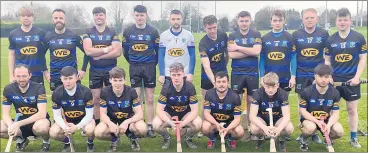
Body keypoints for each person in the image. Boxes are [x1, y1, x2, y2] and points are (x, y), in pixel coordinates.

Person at [324, 8, 367, 148]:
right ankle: (330, 136)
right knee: (330, 110)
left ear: (350, 21)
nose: (342, 22)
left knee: (351, 110)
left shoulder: (359, 38)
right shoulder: (330, 40)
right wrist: (329, 76)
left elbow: (362, 60)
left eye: (345, 20)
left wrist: (357, 77)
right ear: (336, 21)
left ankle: (353, 138)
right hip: (334, 81)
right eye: (339, 20)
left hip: (352, 81)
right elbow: (327, 61)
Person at [122, 5, 160, 137]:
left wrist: (151, 63)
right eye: (137, 15)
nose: (139, 18)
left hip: (149, 67)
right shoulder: (127, 31)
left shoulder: (153, 31)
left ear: (146, 15)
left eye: (142, 15)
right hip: (134, 67)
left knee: (149, 98)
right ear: (134, 15)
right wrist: (134, 61)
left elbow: (158, 51)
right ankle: (139, 124)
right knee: (136, 98)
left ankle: (150, 125)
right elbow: (125, 51)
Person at [293, 8, 329, 143]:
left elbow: (327, 55)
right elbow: (294, 56)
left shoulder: (324, 33)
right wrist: (294, 75)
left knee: (317, 104)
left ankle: (315, 132)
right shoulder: (296, 34)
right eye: (306, 18)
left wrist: (327, 73)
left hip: (318, 75)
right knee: (301, 103)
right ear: (302, 19)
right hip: (301, 73)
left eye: (312, 17)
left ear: (317, 19)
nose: (309, 20)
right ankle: (304, 132)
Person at [82, 7, 122, 125]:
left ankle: (112, 121)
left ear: (105, 16)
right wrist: (107, 49)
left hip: (111, 70)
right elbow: (88, 51)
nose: (98, 17)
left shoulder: (112, 32)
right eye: (96, 15)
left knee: (112, 97)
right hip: (95, 70)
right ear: (93, 17)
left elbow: (118, 52)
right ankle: (99, 122)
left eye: (101, 15)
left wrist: (99, 56)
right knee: (96, 99)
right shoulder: (88, 32)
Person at [227, 11, 262, 140]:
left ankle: (252, 129)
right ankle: (239, 128)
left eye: (246, 21)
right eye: (242, 21)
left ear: (250, 21)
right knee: (237, 101)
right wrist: (249, 51)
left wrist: (238, 47)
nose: (244, 23)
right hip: (237, 72)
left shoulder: (256, 34)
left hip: (252, 72)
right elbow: (231, 55)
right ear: (238, 21)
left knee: (251, 101)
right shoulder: (232, 35)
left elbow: (257, 51)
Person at [94, 67, 147, 152]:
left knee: (142, 129)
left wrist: (127, 122)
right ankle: (114, 139)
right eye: (115, 80)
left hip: (128, 118)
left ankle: (132, 137)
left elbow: (140, 114)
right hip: (112, 119)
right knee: (98, 132)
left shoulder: (131, 91)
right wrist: (110, 124)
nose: (118, 83)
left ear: (124, 80)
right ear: (110, 80)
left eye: (120, 80)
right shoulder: (105, 92)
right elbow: (103, 114)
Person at [1, 64, 50, 152]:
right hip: (20, 122)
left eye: (24, 76)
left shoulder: (39, 88)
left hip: (38, 121)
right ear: (14, 76)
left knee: (42, 127)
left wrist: (18, 124)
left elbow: (42, 114)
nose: (21, 79)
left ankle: (46, 141)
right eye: (18, 76)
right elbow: (5, 114)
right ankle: (21, 139)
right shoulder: (8, 89)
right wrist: (10, 125)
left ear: (30, 75)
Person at [153, 62, 202, 150]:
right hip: (170, 114)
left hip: (185, 114)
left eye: (178, 75)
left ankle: (188, 137)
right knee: (156, 124)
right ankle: (167, 137)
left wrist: (184, 123)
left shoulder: (190, 87)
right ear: (170, 75)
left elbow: (194, 110)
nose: (176, 78)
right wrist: (170, 122)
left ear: (183, 74)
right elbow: (159, 110)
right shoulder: (166, 88)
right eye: (174, 75)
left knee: (198, 123)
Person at [49, 66, 95, 152]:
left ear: (77, 77)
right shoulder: (56, 93)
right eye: (65, 79)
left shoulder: (86, 92)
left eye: (70, 78)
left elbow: (89, 115)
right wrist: (65, 127)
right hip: (66, 120)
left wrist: (77, 127)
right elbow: (57, 116)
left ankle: (90, 142)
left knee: (90, 129)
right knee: (53, 132)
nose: (68, 82)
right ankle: (67, 142)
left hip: (84, 118)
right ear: (61, 78)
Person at [299, 64, 343, 151]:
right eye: (320, 76)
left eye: (326, 77)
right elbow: (303, 111)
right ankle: (303, 140)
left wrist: (329, 125)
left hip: (326, 120)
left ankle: (328, 141)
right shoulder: (306, 92)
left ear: (330, 77)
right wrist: (317, 122)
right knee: (311, 128)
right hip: (310, 119)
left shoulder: (335, 93)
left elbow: (335, 114)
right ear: (315, 76)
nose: (323, 80)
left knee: (339, 131)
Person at [198, 15, 229, 136]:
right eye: (209, 28)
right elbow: (206, 66)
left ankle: (225, 124)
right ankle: (203, 127)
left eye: (214, 27)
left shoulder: (223, 35)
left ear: (217, 25)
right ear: (204, 27)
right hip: (207, 75)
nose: (212, 30)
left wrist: (223, 69)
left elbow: (227, 54)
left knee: (225, 99)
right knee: (206, 101)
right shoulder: (203, 43)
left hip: (222, 72)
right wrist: (214, 82)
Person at [44, 9, 87, 91]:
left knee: (75, 101)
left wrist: (83, 70)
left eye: (61, 18)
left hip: (72, 76)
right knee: (56, 102)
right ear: (52, 20)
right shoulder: (47, 37)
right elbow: (40, 54)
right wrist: (45, 72)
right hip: (55, 75)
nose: (58, 20)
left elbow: (87, 52)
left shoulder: (73, 35)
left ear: (65, 20)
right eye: (56, 18)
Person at [249, 72, 294, 152]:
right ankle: (261, 138)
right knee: (254, 128)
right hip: (262, 119)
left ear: (278, 85)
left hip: (278, 119)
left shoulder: (283, 94)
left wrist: (279, 129)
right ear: (263, 85)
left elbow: (287, 116)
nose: (270, 90)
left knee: (289, 128)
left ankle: (281, 139)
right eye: (267, 87)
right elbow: (252, 116)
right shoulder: (257, 93)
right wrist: (265, 128)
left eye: (273, 87)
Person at [201, 72, 244, 150]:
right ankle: (212, 138)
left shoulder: (235, 96)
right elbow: (206, 113)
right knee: (204, 127)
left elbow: (237, 119)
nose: (221, 84)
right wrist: (217, 124)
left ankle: (229, 138)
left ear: (228, 82)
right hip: (214, 123)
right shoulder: (209, 93)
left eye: (224, 82)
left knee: (240, 132)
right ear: (215, 83)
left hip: (229, 123)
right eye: (219, 82)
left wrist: (227, 129)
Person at [8, 6, 47, 84]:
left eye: (28, 16)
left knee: (38, 96)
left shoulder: (41, 33)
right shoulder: (13, 34)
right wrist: (11, 75)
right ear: (20, 17)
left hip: (37, 73)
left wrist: (45, 70)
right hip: (20, 74)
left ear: (33, 17)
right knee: (21, 96)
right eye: (23, 16)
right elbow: (11, 55)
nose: (26, 18)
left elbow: (47, 51)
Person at [260, 10, 296, 92]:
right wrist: (262, 77)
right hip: (268, 79)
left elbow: (293, 58)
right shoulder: (264, 38)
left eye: (280, 20)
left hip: (285, 78)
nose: (277, 23)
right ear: (271, 22)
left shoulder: (290, 37)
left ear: (284, 21)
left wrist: (293, 76)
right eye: (275, 20)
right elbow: (262, 59)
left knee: (284, 104)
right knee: (268, 104)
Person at [158, 10, 195, 85]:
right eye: (173, 19)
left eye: (178, 19)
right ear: (170, 21)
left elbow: (192, 55)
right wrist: (162, 74)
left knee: (185, 96)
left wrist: (191, 73)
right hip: (168, 74)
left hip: (184, 73)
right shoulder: (164, 35)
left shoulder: (188, 35)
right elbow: (161, 55)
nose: (176, 21)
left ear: (182, 20)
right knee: (168, 96)